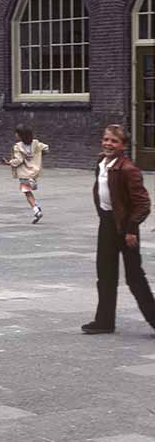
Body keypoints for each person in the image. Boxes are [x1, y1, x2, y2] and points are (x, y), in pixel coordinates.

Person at [82, 125, 155, 335]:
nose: (108, 144)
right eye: (106, 139)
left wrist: (131, 229)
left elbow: (143, 204)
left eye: (114, 141)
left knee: (134, 277)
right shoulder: (102, 162)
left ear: (123, 146)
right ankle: (104, 321)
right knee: (105, 275)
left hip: (126, 228)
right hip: (107, 224)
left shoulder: (128, 169)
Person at [1, 124, 48, 224]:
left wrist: (8, 163)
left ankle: (36, 210)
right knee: (29, 188)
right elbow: (46, 148)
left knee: (27, 192)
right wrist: (38, 155)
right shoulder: (36, 143)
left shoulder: (18, 146)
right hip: (35, 170)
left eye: (16, 133)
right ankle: (32, 181)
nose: (15, 135)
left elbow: (19, 160)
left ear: (20, 135)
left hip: (24, 173)